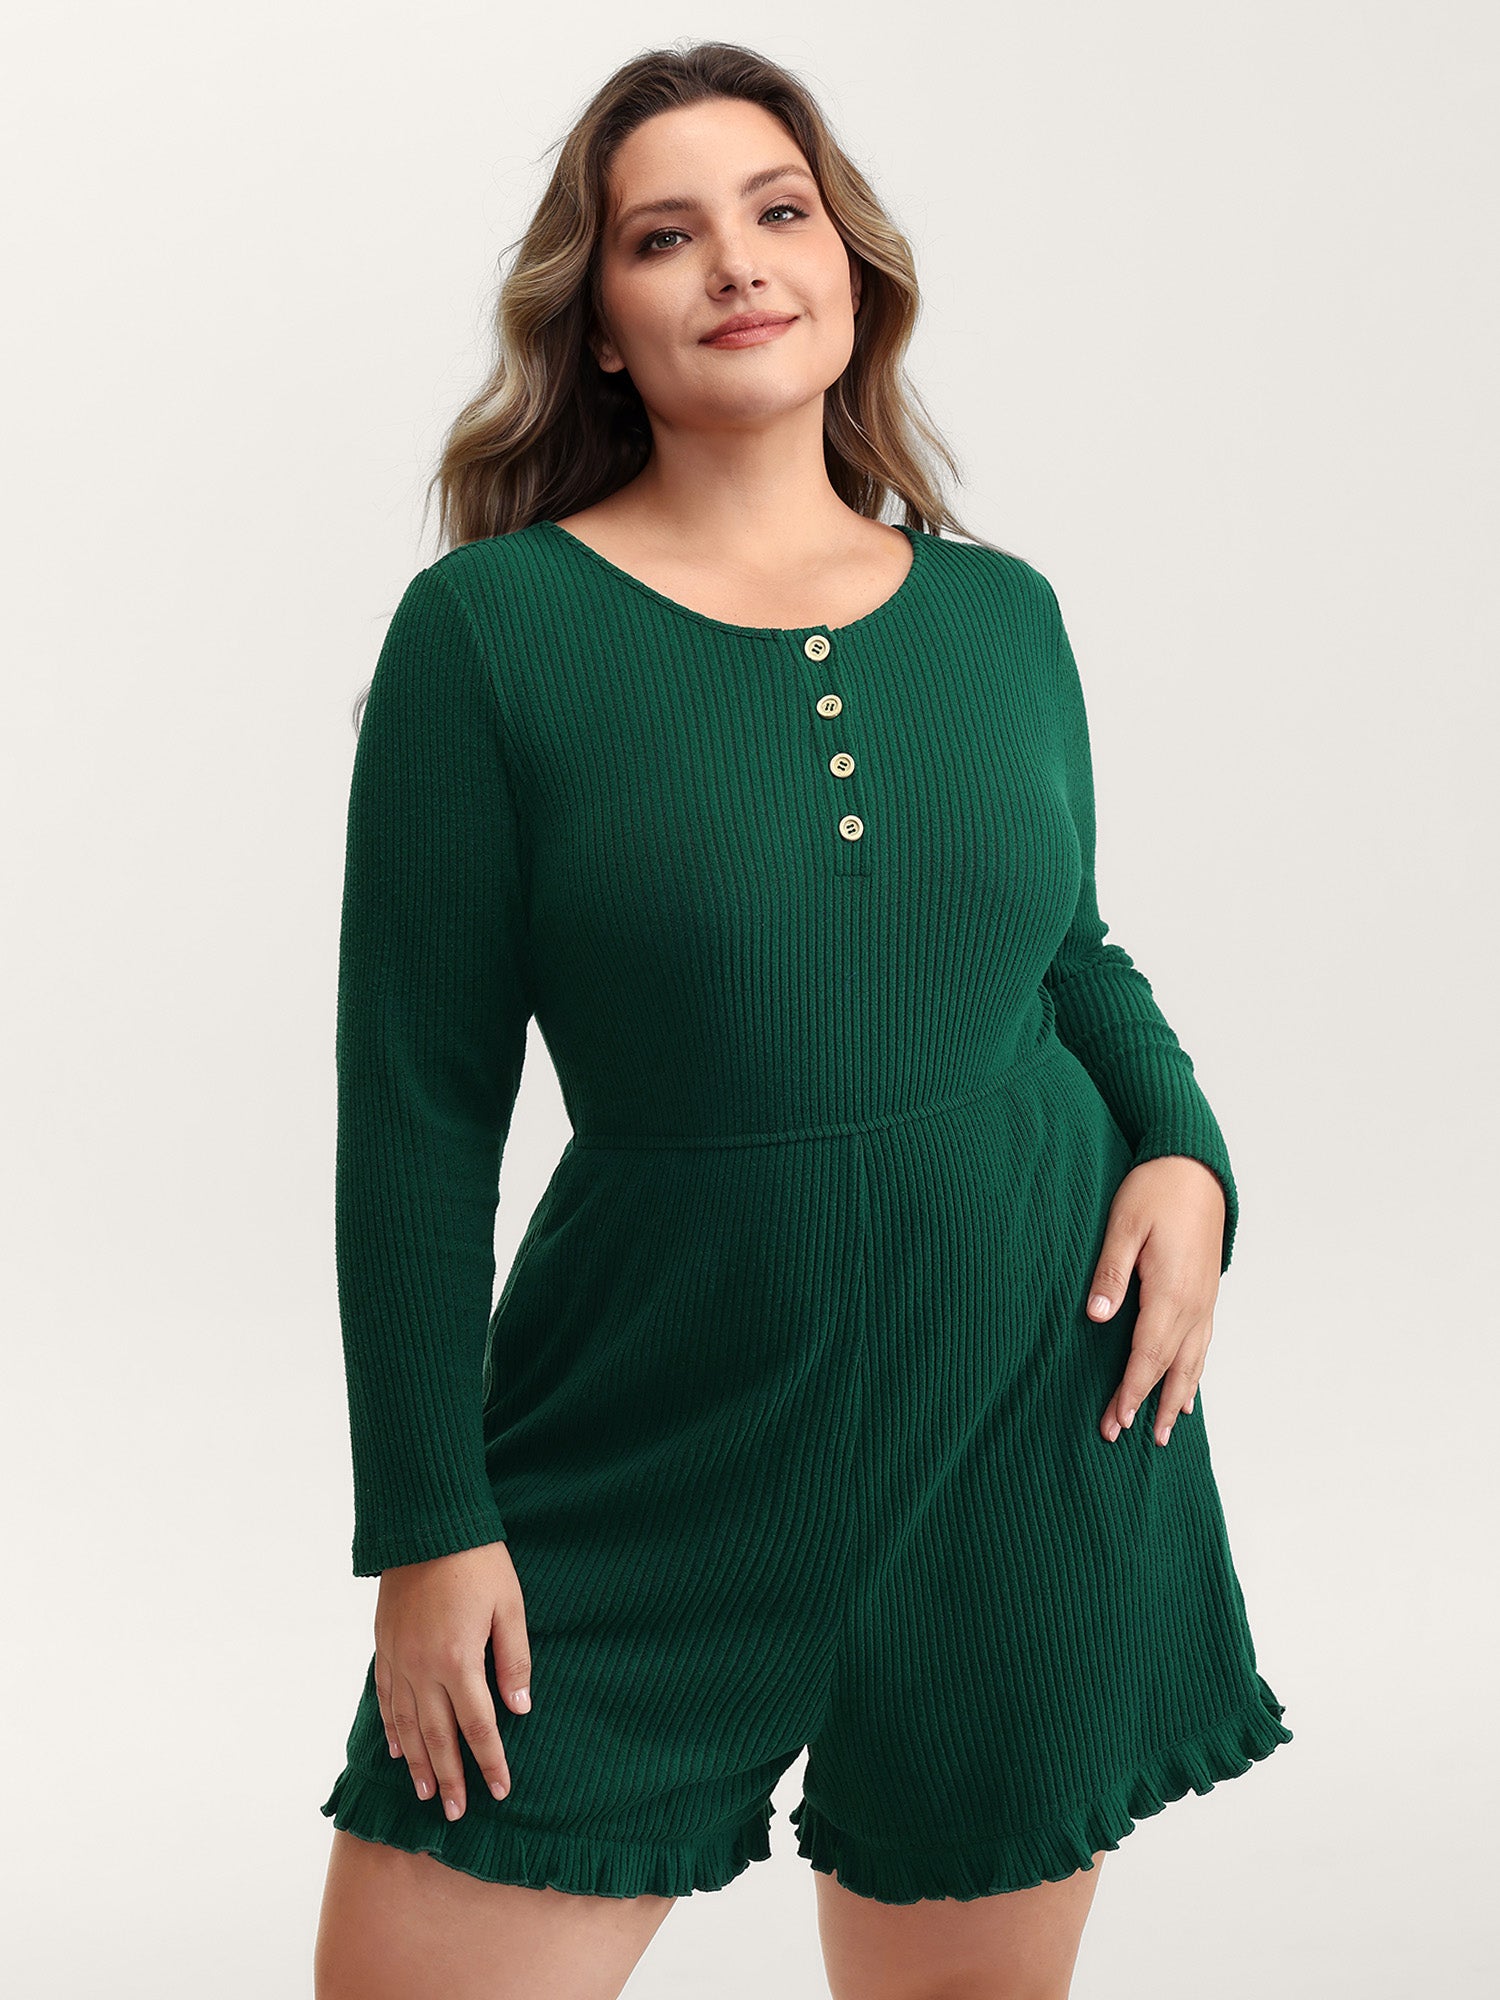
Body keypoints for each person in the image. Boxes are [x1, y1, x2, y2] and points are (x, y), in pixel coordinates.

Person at [313, 40, 1292, 2000]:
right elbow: (416, 1109)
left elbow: (1064, 952)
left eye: (778, 211)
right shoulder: (490, 637)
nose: (739, 262)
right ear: (599, 324)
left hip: (1029, 1420)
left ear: (850, 263)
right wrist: (426, 1523)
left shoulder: (1001, 616)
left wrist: (1188, 1155)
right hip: (656, 1437)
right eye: (664, 236)